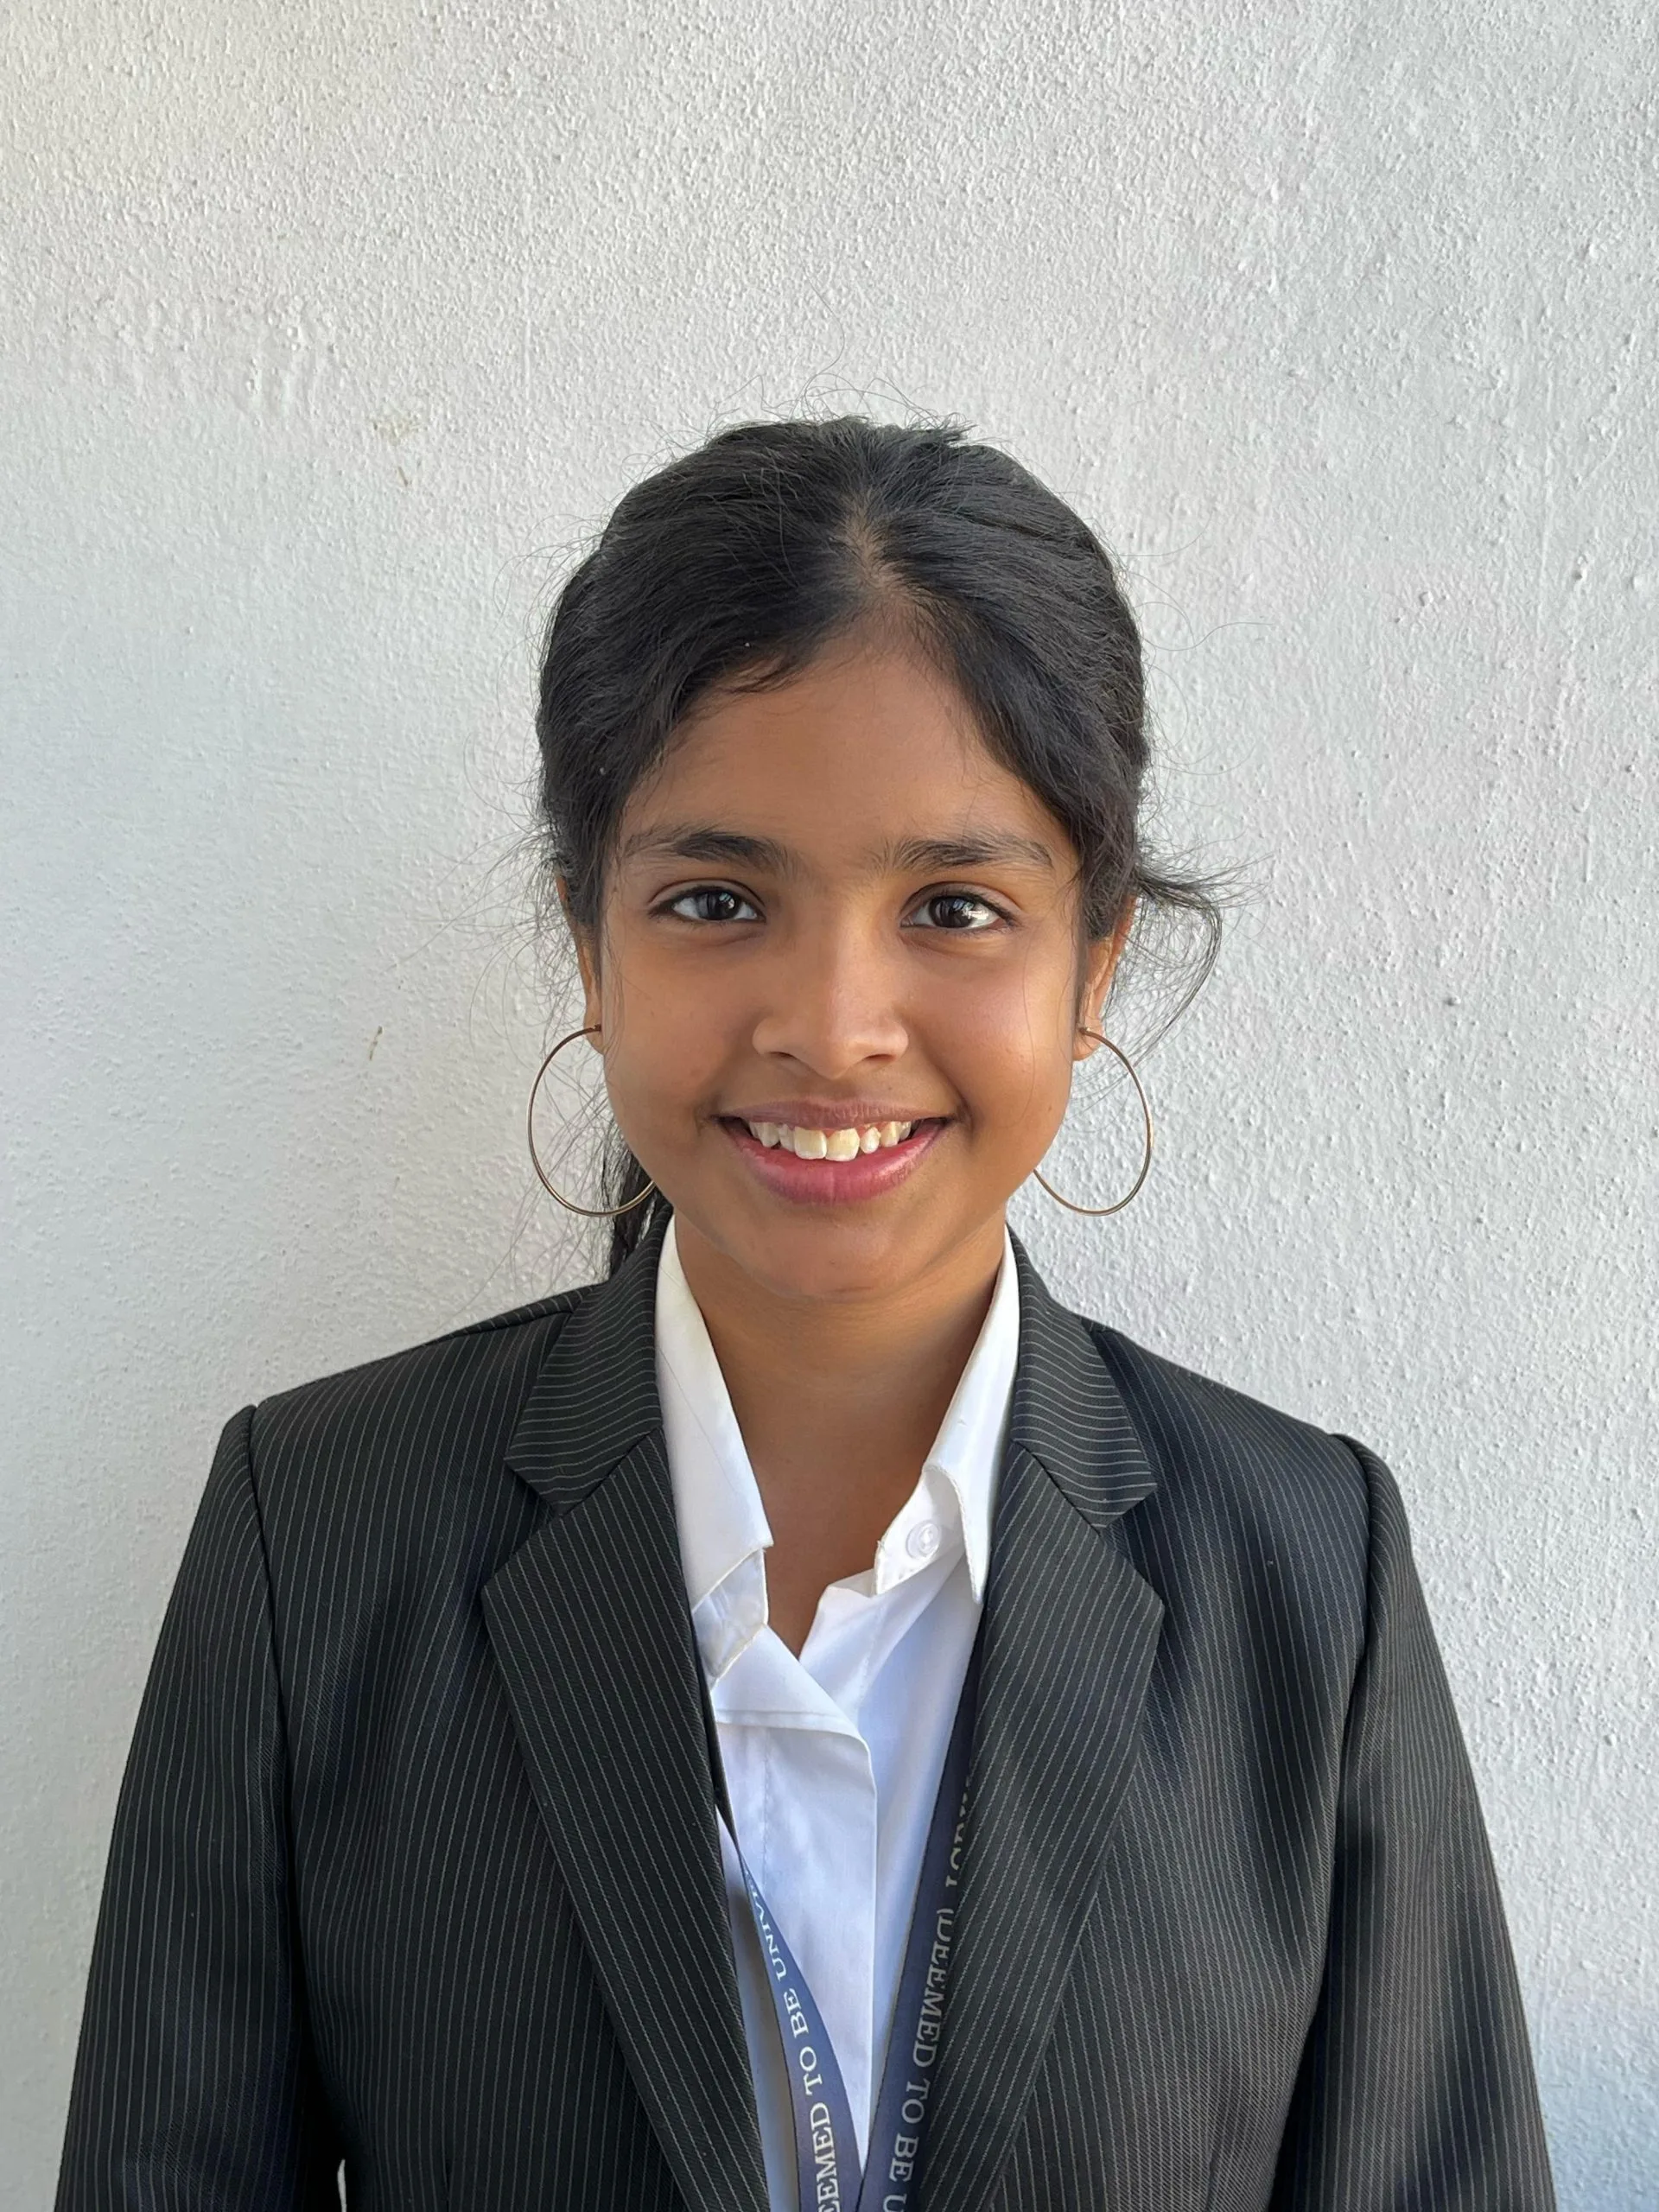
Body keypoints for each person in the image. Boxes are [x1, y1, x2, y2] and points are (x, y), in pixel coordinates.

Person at [55, 416, 1556, 2211]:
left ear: (1095, 960)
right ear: (590, 944)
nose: (835, 1026)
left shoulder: (1309, 1575)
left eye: (954, 906)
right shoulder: (318, 1534)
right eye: (716, 899)